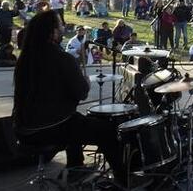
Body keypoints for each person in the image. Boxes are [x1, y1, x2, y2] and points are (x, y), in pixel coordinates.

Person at [12, 11, 124, 183]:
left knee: (75, 120)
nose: (63, 28)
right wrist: (86, 82)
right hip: (50, 128)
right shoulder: (63, 59)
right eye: (60, 25)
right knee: (108, 130)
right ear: (53, 32)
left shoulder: (26, 59)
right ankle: (123, 180)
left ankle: (75, 167)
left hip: (23, 129)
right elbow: (81, 93)